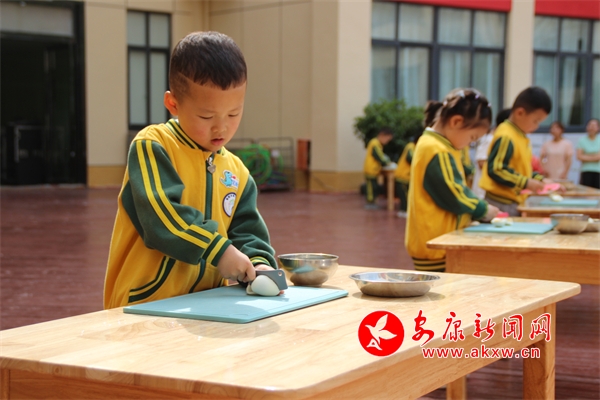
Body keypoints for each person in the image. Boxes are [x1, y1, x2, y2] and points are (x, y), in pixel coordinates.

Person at [104, 32, 277, 309]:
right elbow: (162, 217)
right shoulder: (153, 145)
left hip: (208, 308)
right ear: (173, 103)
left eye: (234, 113)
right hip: (145, 306)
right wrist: (218, 251)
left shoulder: (237, 172)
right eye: (206, 116)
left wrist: (259, 264)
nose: (221, 127)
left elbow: (247, 231)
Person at [405, 89, 499, 272]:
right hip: (437, 246)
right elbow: (454, 194)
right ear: (456, 121)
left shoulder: (438, 145)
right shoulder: (436, 149)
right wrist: (482, 209)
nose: (469, 144)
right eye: (472, 138)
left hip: (436, 243)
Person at [479, 86, 559, 216]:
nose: (536, 126)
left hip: (512, 200)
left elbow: (521, 170)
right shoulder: (506, 135)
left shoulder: (520, 136)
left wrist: (540, 180)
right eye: (535, 121)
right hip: (500, 202)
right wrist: (526, 183)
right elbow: (497, 169)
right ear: (520, 113)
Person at [472, 108, 511, 198]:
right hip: (483, 191)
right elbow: (481, 161)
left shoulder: (497, 139)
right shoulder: (489, 139)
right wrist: (500, 170)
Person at [363, 127, 394, 209]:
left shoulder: (378, 144)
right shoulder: (375, 143)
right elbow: (378, 155)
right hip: (370, 169)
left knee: (375, 187)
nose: (387, 141)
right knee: (371, 187)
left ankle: (372, 202)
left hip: (374, 170)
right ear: (382, 135)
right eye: (387, 139)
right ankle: (370, 203)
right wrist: (387, 162)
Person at [394, 138, 416, 217]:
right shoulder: (410, 146)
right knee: (404, 196)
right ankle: (404, 210)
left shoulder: (413, 147)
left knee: (406, 195)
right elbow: (410, 158)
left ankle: (404, 210)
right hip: (403, 176)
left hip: (406, 176)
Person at [576, 118, 600, 188]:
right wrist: (594, 156)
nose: (591, 127)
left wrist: (586, 155)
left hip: (598, 171)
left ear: (598, 128)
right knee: (585, 191)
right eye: (590, 125)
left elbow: (598, 157)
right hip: (585, 171)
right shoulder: (582, 140)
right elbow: (579, 156)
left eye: (594, 126)